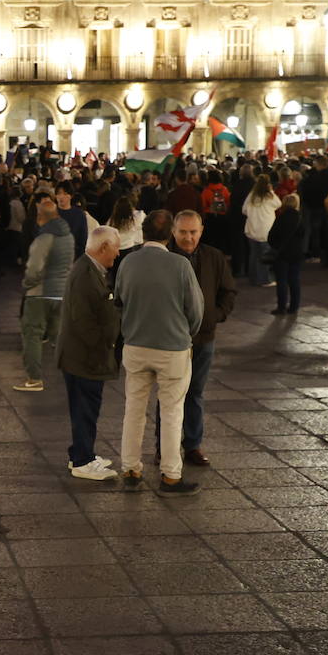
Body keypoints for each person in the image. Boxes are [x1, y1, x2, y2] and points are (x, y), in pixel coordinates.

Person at [113, 210, 204, 495]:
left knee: (134, 409)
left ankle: (130, 469)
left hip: (136, 345)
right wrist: (185, 332)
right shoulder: (180, 265)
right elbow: (196, 311)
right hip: (173, 348)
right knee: (172, 412)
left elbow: (119, 300)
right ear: (169, 236)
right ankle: (170, 476)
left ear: (143, 233)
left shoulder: (128, 262)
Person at [164, 211, 235, 467]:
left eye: (193, 232)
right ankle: (165, 447)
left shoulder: (213, 257)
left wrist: (215, 315)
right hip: (171, 338)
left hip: (203, 337)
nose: (188, 237)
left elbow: (228, 291)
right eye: (183, 232)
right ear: (173, 231)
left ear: (201, 231)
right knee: (169, 394)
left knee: (195, 392)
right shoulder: (165, 257)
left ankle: (192, 445)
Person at [57, 225, 122, 481]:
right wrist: (105, 344)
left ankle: (81, 453)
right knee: (85, 408)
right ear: (104, 247)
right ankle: (83, 461)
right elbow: (84, 321)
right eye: (115, 249)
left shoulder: (89, 269)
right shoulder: (86, 274)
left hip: (81, 355)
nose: (117, 254)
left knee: (84, 407)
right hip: (85, 357)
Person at [14, 195, 74, 392]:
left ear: (41, 216)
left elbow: (34, 269)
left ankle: (34, 379)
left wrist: (26, 284)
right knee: (59, 335)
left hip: (40, 293)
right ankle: (69, 373)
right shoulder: (68, 235)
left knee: (32, 334)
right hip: (61, 292)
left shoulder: (44, 237)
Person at [268, 194, 305, 315]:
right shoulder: (300, 218)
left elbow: (271, 236)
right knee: (294, 280)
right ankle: (294, 307)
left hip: (282, 253)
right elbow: (304, 234)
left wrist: (276, 246)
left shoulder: (281, 217)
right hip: (296, 253)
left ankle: (281, 307)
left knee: (282, 280)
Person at [242, 174, 281, 286]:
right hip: (265, 230)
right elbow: (279, 204)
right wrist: (272, 191)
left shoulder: (251, 196)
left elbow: (244, 210)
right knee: (265, 255)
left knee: (253, 255)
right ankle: (265, 279)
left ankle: (253, 278)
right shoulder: (270, 196)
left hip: (252, 229)